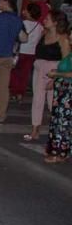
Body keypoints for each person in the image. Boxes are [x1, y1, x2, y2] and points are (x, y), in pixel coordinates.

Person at [25, 13, 71, 142]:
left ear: (55, 22)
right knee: (37, 100)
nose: (44, 20)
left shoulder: (63, 39)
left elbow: (66, 61)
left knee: (53, 103)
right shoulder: (44, 34)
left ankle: (59, 132)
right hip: (39, 68)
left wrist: (55, 78)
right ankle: (35, 130)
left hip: (54, 70)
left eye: (48, 19)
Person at [44, 42, 72, 164]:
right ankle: (55, 149)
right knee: (57, 121)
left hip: (68, 92)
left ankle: (61, 152)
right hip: (61, 90)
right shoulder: (69, 54)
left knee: (64, 122)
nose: (70, 37)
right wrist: (55, 78)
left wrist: (56, 74)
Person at [10, 4, 43, 103]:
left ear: (29, 12)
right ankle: (20, 93)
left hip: (20, 51)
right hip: (32, 53)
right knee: (25, 74)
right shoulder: (40, 26)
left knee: (14, 72)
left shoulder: (21, 23)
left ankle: (14, 92)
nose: (23, 11)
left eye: (25, 10)